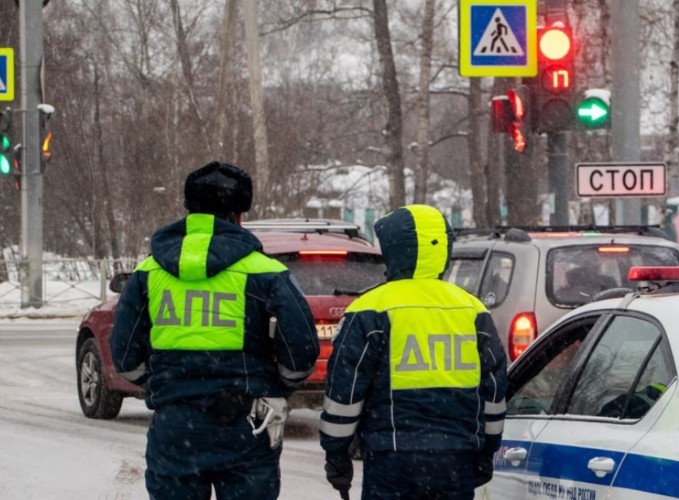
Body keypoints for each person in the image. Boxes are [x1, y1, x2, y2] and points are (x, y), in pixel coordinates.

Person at [111, 161, 319, 499]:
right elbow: (301, 353)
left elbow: (124, 356)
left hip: (175, 426)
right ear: (239, 215)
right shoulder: (266, 272)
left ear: (189, 209)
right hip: (246, 424)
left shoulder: (148, 272)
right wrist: (273, 385)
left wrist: (168, 386)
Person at [319, 204, 508, 499]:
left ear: (394, 251)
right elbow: (494, 391)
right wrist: (487, 449)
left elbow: (345, 390)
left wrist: (336, 452)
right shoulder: (472, 310)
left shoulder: (370, 310)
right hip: (455, 460)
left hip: (390, 460)